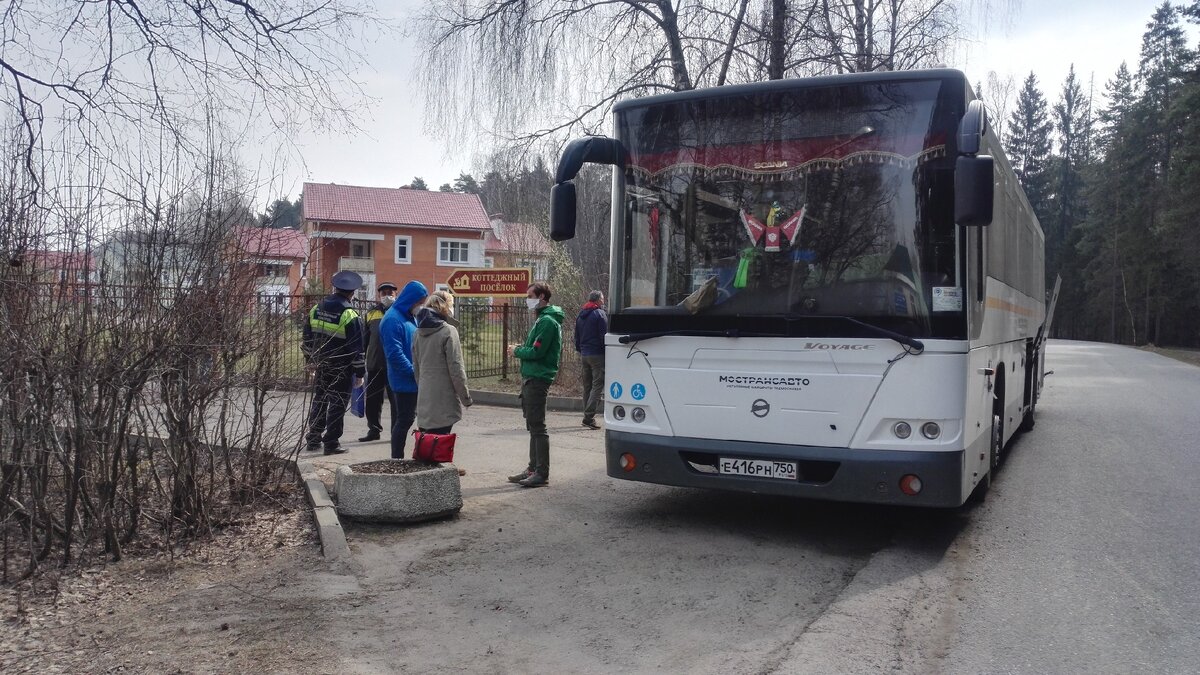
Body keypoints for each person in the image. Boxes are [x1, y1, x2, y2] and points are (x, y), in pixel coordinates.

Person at [302, 270, 366, 455]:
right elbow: (356, 348)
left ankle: (313, 438)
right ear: (352, 293)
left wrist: (310, 361)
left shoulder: (317, 308)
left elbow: (307, 338)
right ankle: (331, 443)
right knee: (337, 404)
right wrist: (360, 374)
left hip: (322, 365)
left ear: (335, 288)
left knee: (320, 400)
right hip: (341, 368)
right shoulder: (349, 314)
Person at [507, 283, 564, 488]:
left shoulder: (547, 321)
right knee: (533, 424)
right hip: (532, 377)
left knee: (538, 426)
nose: (527, 299)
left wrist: (516, 351)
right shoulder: (542, 319)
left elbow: (537, 352)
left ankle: (541, 472)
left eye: (530, 295)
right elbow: (533, 347)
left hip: (538, 378)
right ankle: (533, 468)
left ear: (541, 296)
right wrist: (522, 348)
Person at [413, 290, 472, 474]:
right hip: (444, 394)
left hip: (425, 394)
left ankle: (432, 468)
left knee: (428, 435)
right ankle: (442, 472)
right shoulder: (448, 331)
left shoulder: (418, 332)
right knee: (442, 436)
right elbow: (456, 368)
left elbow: (416, 367)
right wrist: (465, 397)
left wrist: (422, 387)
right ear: (446, 307)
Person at [380, 280, 428, 459]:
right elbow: (394, 355)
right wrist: (414, 372)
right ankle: (397, 459)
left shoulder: (409, 316)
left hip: (415, 378)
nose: (421, 305)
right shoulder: (392, 320)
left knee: (414, 419)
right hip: (405, 380)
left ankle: (423, 456)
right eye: (420, 301)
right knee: (404, 420)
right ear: (411, 299)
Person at [359, 281, 398, 442]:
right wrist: (360, 360)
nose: (387, 295)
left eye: (390, 292)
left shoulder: (400, 311)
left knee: (396, 401)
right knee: (373, 400)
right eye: (384, 293)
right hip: (374, 364)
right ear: (379, 295)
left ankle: (396, 432)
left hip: (394, 365)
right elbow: (364, 340)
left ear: (396, 294)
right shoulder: (371, 313)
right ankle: (373, 430)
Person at [575, 289, 608, 430]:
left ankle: (586, 415)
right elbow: (604, 336)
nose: (603, 301)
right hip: (597, 354)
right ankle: (589, 417)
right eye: (602, 299)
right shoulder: (599, 314)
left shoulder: (581, 314)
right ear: (597, 300)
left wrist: (580, 349)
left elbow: (576, 335)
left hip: (584, 354)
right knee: (597, 386)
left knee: (587, 386)